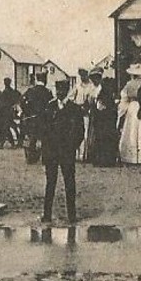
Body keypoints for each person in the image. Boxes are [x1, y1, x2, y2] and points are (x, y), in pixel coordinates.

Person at [40, 78, 87, 224]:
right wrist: (46, 147)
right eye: (57, 90)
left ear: (67, 91)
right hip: (51, 152)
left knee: (69, 183)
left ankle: (71, 215)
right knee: (50, 183)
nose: (59, 93)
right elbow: (43, 129)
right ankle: (47, 214)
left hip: (67, 152)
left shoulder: (74, 109)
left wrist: (72, 146)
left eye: (62, 90)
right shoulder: (49, 107)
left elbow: (80, 131)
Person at [21, 73, 53, 165]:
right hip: (44, 119)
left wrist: (27, 113)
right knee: (45, 139)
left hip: (31, 118)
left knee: (32, 138)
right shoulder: (47, 92)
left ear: (36, 79)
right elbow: (51, 105)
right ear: (45, 80)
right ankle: (44, 159)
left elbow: (22, 102)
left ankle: (31, 159)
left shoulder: (30, 91)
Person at [91, 71, 119, 166]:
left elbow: (100, 107)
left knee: (103, 139)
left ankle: (103, 160)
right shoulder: (104, 93)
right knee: (104, 139)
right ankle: (105, 159)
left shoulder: (103, 93)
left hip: (103, 120)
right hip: (105, 120)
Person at [73, 68, 98, 163]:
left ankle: (85, 155)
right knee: (77, 132)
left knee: (86, 134)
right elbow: (71, 97)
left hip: (87, 113)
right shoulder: (77, 86)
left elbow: (92, 99)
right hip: (77, 112)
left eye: (84, 75)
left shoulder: (91, 87)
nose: (83, 77)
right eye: (81, 75)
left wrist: (87, 106)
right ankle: (78, 155)